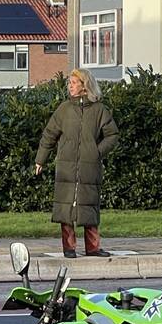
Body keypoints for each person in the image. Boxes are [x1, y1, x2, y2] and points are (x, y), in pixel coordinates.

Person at [33, 68, 119, 258]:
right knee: (66, 208)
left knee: (89, 206)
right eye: (69, 83)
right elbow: (49, 135)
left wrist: (97, 152)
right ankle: (69, 248)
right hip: (66, 167)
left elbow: (112, 135)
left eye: (73, 83)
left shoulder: (99, 110)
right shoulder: (64, 109)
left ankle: (93, 248)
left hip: (90, 166)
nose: (69, 86)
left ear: (84, 85)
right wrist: (41, 159)